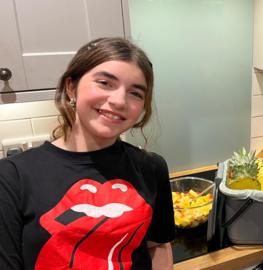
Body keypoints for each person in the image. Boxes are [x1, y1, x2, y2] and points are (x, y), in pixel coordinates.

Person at [0, 37, 175, 270]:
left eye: (135, 93)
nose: (119, 100)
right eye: (105, 83)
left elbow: (157, 246)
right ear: (71, 87)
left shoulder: (151, 167)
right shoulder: (13, 177)